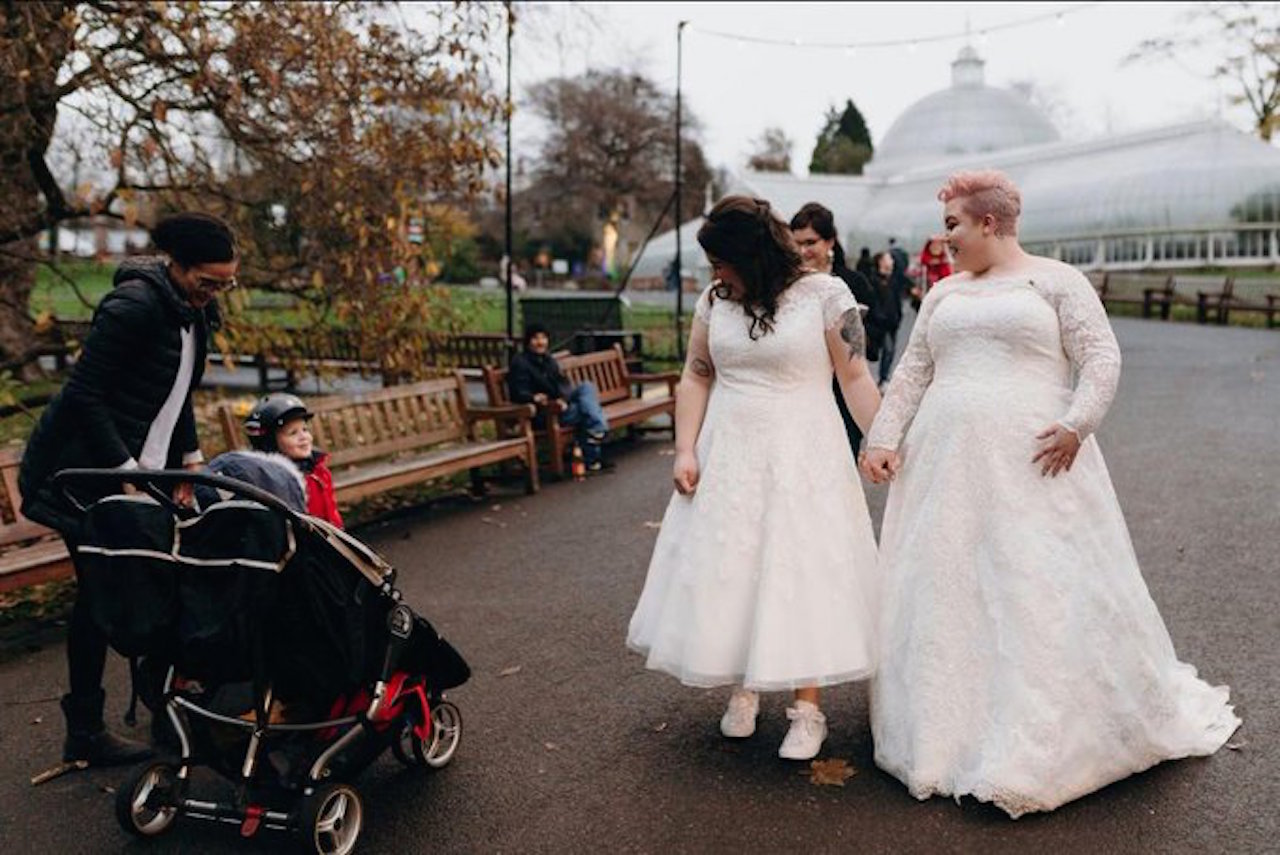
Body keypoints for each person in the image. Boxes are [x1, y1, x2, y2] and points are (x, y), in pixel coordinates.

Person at [860, 170, 1240, 817]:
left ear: (988, 222)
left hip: (1035, 461)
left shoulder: (1056, 280)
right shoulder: (942, 294)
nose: (944, 238)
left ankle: (1036, 739)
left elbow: (1101, 358)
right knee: (951, 583)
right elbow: (913, 371)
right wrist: (882, 436)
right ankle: (946, 729)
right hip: (945, 466)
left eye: (953, 224)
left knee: (1032, 583)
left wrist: (1077, 422)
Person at [627, 196, 882, 761]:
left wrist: (881, 440)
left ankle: (807, 708)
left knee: (801, 569)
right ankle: (744, 688)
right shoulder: (715, 301)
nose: (715, 273)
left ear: (754, 255)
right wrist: (686, 449)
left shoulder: (825, 295)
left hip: (803, 451)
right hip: (729, 452)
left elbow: (855, 375)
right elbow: (696, 375)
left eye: (722, 262)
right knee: (733, 569)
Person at [19, 211, 237, 766]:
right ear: (177, 265)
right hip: (81, 474)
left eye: (225, 283)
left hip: (145, 470)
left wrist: (187, 461)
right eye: (208, 282)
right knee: (103, 595)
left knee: (163, 584)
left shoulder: (193, 309)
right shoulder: (134, 307)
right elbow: (84, 397)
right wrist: (126, 469)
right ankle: (86, 729)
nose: (214, 293)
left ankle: (167, 711)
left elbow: (177, 389)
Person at [789, 202, 882, 458]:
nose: (802, 250)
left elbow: (877, 334)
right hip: (799, 393)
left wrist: (853, 333)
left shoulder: (854, 283)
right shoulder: (786, 286)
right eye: (796, 243)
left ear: (829, 242)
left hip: (843, 394)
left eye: (810, 242)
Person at [507, 325, 610, 471]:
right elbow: (517, 392)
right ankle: (596, 440)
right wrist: (534, 397)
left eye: (543, 338)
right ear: (528, 341)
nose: (540, 342)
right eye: (536, 338)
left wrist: (563, 399)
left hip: (562, 406)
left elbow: (564, 384)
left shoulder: (548, 360)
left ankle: (597, 430)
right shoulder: (520, 363)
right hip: (544, 414)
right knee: (586, 412)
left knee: (586, 387)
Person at [242, 393, 343, 528]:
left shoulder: (318, 469)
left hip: (331, 539)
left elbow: (332, 512)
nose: (304, 437)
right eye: (293, 433)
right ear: (270, 443)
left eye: (305, 429)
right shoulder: (275, 483)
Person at [868, 251, 903, 386]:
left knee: (890, 351)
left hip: (893, 321)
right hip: (881, 322)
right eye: (889, 259)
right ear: (881, 262)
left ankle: (883, 378)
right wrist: (879, 317)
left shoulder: (894, 279)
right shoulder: (873, 280)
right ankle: (881, 379)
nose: (892, 261)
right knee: (885, 350)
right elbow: (873, 302)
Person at [912, 235, 952, 310]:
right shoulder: (922, 262)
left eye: (939, 245)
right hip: (923, 299)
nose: (936, 247)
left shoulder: (946, 263)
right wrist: (915, 288)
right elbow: (913, 276)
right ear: (928, 247)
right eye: (933, 245)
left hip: (941, 300)